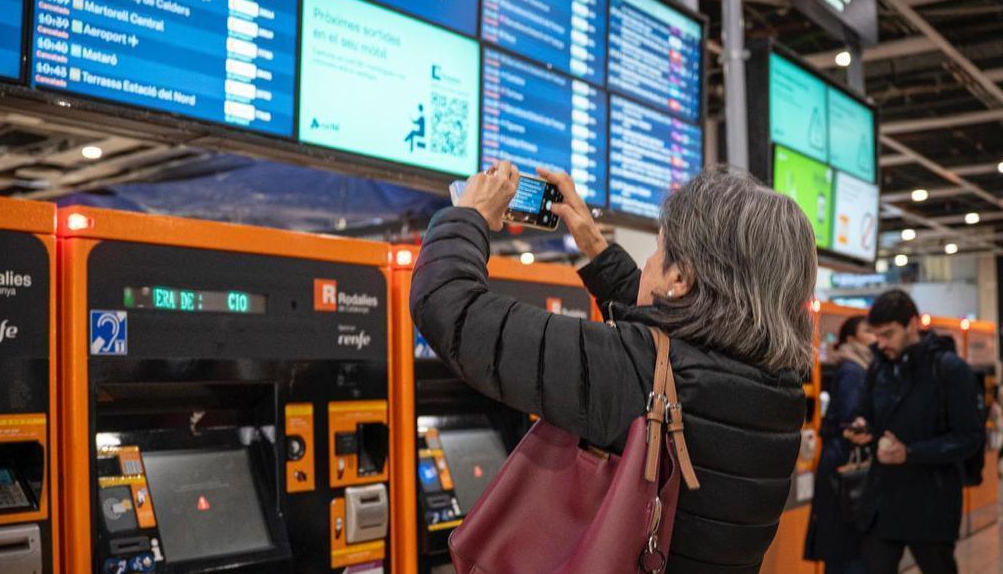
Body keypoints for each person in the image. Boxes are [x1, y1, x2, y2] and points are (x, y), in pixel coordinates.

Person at [410, 163, 816, 573]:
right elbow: (673, 339)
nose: (651, 263)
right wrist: (596, 248)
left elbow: (450, 308)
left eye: (658, 251)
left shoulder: (635, 373)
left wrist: (470, 215)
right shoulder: (781, 389)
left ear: (680, 277)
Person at [844, 290, 982, 574]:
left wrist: (910, 453)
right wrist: (863, 428)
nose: (881, 344)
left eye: (888, 334)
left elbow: (969, 438)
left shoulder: (949, 370)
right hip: (883, 500)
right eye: (876, 335)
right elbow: (868, 415)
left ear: (913, 324)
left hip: (932, 502)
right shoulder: (879, 369)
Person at [805, 315, 876, 574]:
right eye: (867, 331)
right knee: (847, 543)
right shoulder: (853, 369)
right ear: (850, 338)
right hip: (844, 466)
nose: (875, 336)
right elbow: (850, 418)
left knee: (841, 543)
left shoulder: (858, 366)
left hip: (841, 462)